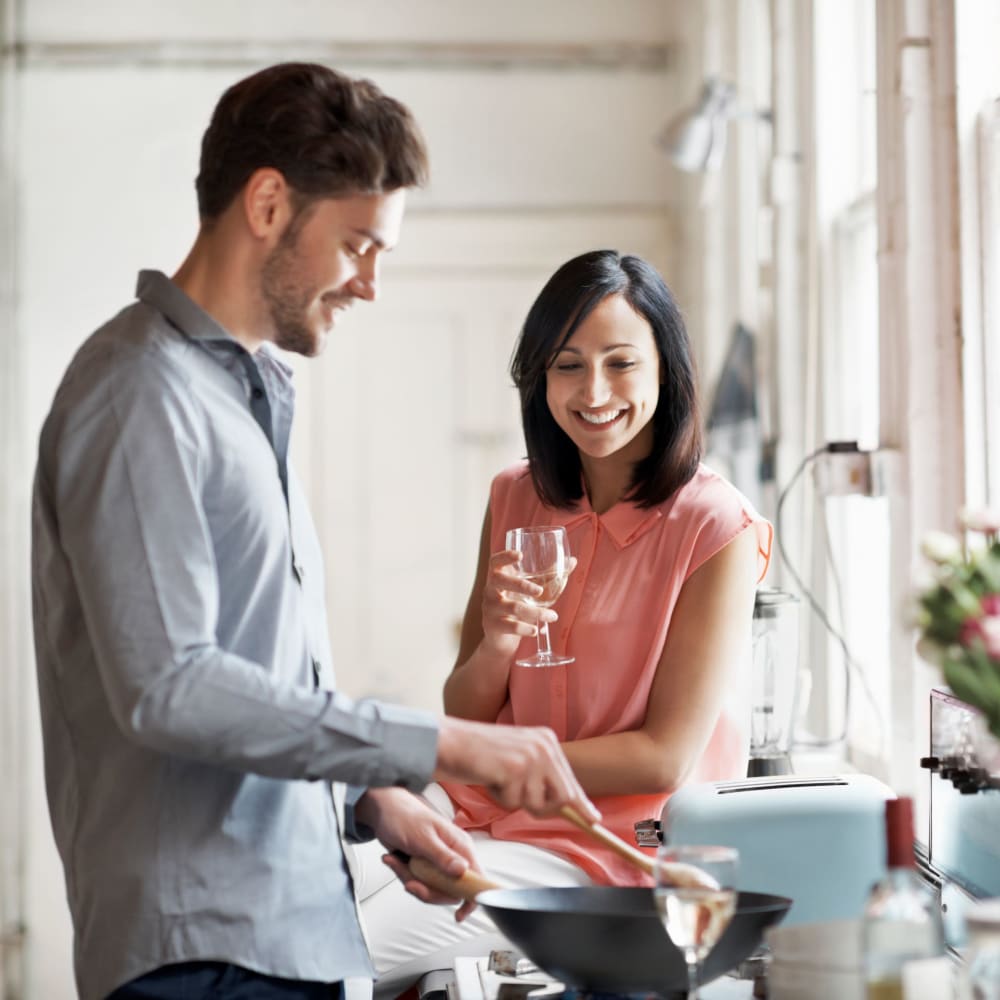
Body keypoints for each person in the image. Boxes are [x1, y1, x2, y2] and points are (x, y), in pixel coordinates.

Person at [30, 62, 598, 1000]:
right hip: (204, 958)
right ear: (266, 205)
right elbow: (171, 689)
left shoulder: (245, 392)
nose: (371, 284)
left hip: (284, 935)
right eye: (359, 244)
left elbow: (260, 685)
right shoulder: (141, 395)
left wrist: (371, 799)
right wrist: (443, 744)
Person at [354, 249, 773, 997]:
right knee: (298, 885)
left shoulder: (716, 525)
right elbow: (467, 710)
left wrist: (504, 764)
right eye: (568, 366)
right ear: (538, 378)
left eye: (620, 363)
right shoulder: (517, 495)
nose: (595, 392)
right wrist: (500, 642)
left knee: (332, 948)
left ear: (666, 372)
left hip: (602, 846)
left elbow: (664, 759)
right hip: (474, 804)